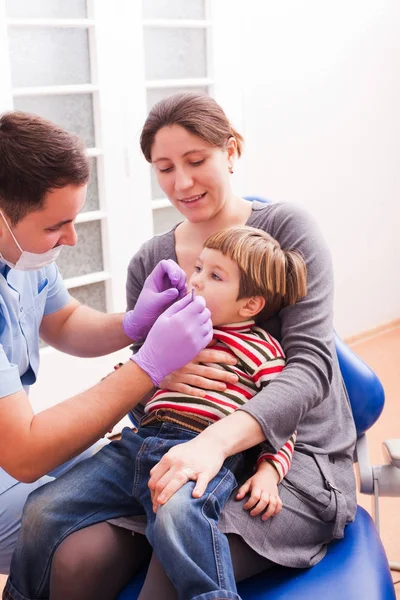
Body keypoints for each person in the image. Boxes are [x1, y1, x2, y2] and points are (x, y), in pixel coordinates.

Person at [4, 93, 358, 600]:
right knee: (76, 561)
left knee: (168, 577)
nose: (182, 183)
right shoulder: (151, 262)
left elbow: (310, 368)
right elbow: (145, 395)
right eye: (164, 168)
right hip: (166, 449)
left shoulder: (285, 231)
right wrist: (156, 371)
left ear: (231, 152)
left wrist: (216, 444)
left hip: (279, 458)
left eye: (196, 161)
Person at [4, 225, 305, 600]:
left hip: (193, 458)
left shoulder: (261, 349)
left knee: (180, 517)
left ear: (250, 305)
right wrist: (142, 363)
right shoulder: (176, 328)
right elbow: (128, 384)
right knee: (42, 507)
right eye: (198, 268)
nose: (196, 281)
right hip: (136, 446)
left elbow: (279, 417)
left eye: (214, 276)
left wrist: (269, 471)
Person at [0, 110, 214, 574]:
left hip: (12, 445)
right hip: (13, 453)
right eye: (56, 225)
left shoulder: (21, 254)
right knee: (96, 538)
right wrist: (149, 366)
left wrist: (135, 324)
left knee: (132, 475)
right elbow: (25, 453)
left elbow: (65, 322)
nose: (72, 239)